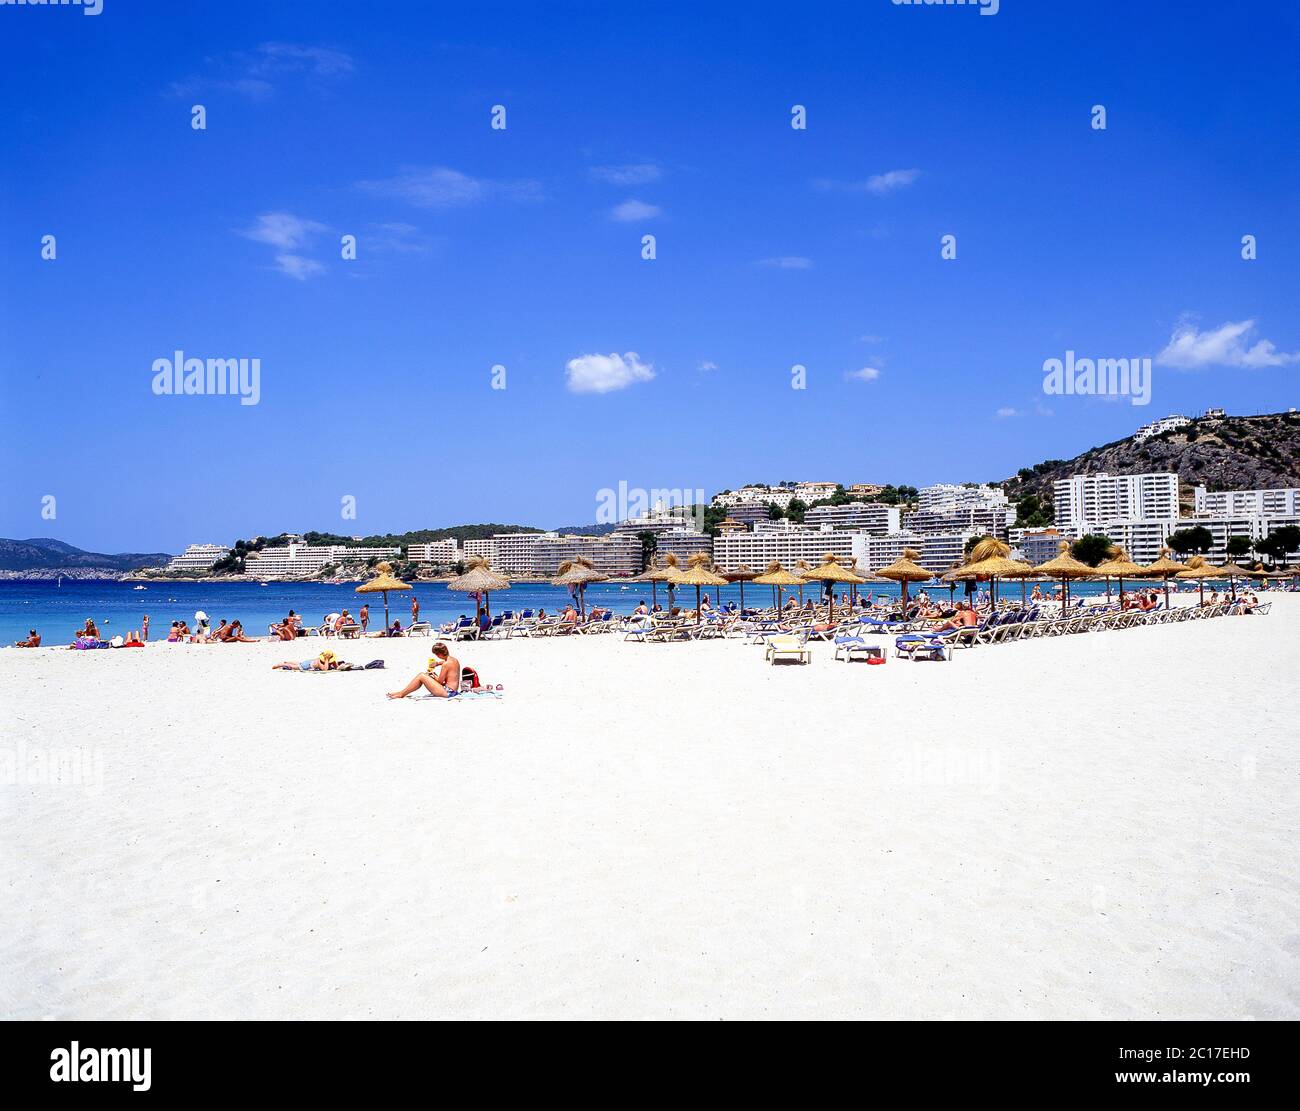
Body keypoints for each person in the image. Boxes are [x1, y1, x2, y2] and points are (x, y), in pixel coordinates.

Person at [387, 641, 461, 699]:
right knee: (423, 676)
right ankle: (401, 692)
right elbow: (444, 663)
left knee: (421, 676)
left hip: (448, 692)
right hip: (453, 691)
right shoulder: (454, 660)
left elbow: (440, 682)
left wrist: (433, 674)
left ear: (439, 654)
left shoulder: (446, 664)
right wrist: (437, 663)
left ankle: (401, 694)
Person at [273, 650, 340, 672]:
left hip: (310, 662)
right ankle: (281, 665)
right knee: (294, 666)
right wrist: (326, 660)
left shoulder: (331, 660)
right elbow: (324, 669)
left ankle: (287, 662)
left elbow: (336, 667)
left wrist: (335, 664)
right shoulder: (319, 661)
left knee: (299, 663)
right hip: (306, 665)